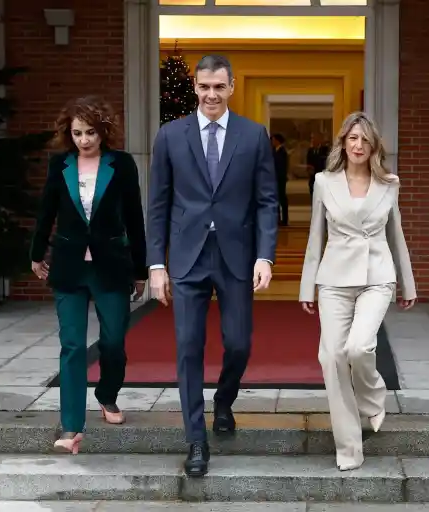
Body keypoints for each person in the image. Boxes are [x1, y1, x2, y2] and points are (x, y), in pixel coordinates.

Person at [147, 55, 279, 477]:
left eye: (219, 87)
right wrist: (156, 264)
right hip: (187, 258)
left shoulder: (253, 135)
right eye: (204, 86)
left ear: (231, 87)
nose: (211, 94)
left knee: (238, 343)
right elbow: (158, 205)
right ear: (195, 87)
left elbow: (267, 201)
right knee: (188, 346)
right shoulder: (170, 135)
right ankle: (196, 440)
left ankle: (223, 400)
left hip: (236, 254)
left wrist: (265, 255)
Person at [30, 95, 147, 455]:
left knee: (113, 341)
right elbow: (46, 211)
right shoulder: (60, 164)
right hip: (69, 265)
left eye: (91, 132)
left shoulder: (121, 164)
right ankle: (71, 426)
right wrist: (36, 254)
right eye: (78, 133)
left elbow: (134, 217)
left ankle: (107, 394)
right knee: (72, 344)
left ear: (103, 131)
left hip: (111, 264)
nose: (84, 140)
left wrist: (141, 269)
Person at [299, 111, 416, 471]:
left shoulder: (389, 183)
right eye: (352, 138)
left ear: (374, 145)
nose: (358, 145)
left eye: (365, 139)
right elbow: (316, 235)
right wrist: (307, 286)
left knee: (359, 347)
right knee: (332, 357)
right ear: (343, 143)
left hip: (377, 277)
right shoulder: (324, 182)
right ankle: (349, 448)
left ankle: (372, 396)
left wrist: (407, 282)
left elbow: (396, 234)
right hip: (334, 280)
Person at [271, 133, 289, 226]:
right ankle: (277, 218)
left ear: (277, 141)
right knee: (276, 199)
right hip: (274, 178)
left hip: (280, 178)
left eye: (273, 140)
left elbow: (282, 166)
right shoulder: (273, 151)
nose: (272, 142)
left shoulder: (282, 151)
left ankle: (285, 219)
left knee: (282, 198)